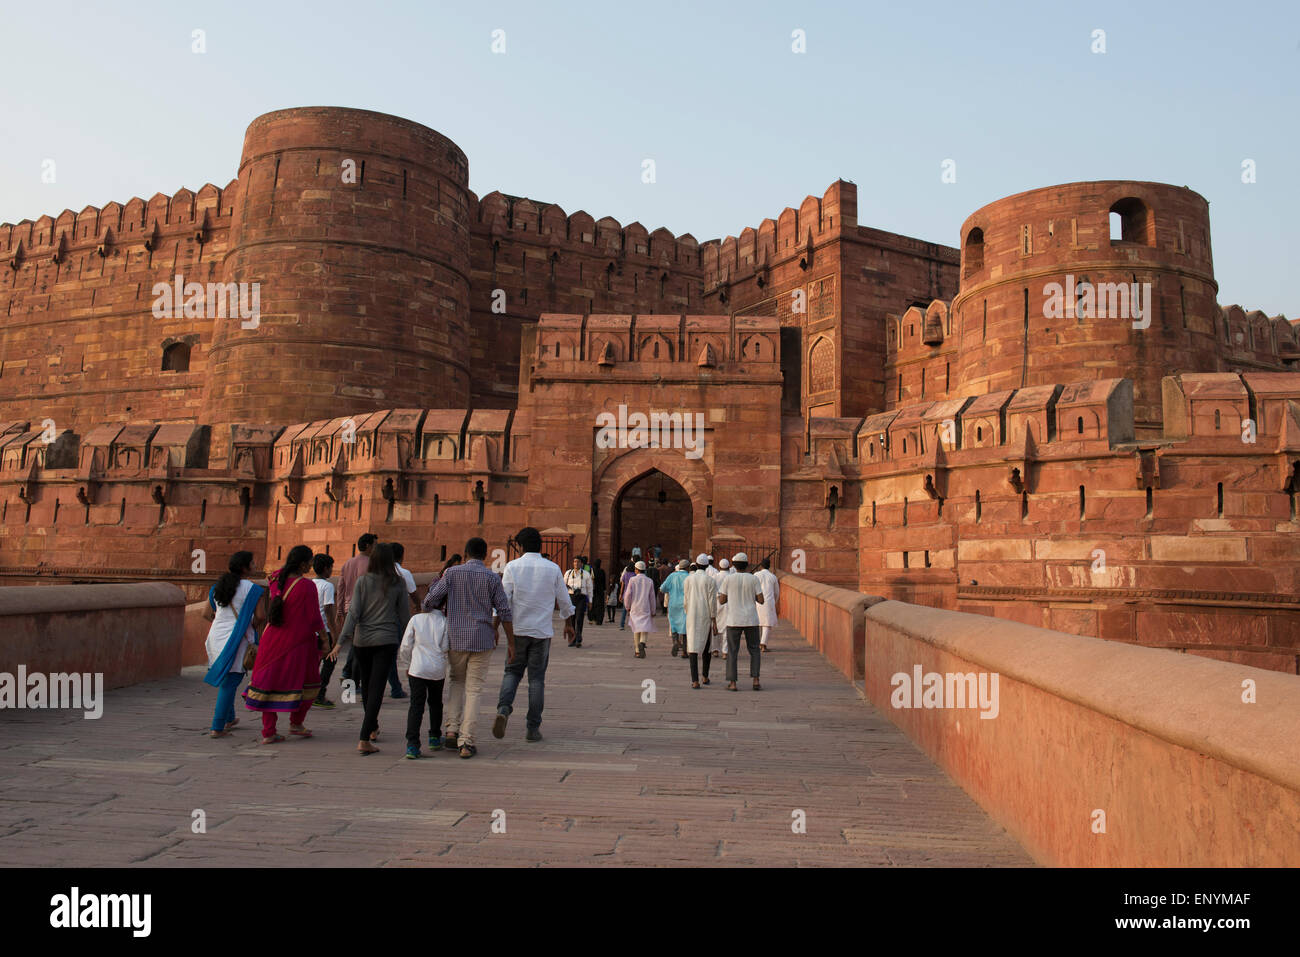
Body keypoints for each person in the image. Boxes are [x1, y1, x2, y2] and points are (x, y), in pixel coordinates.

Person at [424, 537, 514, 759]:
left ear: (465, 554)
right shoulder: (492, 577)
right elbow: (504, 610)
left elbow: (429, 601)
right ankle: (467, 741)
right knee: (474, 689)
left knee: (456, 682)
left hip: (456, 638)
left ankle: (452, 729)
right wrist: (511, 641)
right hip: (482, 639)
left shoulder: (452, 574)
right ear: (485, 555)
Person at [493, 527, 575, 743]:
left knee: (511, 673)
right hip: (541, 632)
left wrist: (495, 627)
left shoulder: (512, 567)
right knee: (537, 680)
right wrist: (568, 623)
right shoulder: (553, 568)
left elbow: (503, 601)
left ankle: (503, 709)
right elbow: (565, 600)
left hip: (518, 631)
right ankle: (532, 728)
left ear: (520, 546)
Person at [331, 542, 411, 755]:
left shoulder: (363, 581)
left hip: (362, 641)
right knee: (376, 688)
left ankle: (372, 727)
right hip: (386, 641)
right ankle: (365, 737)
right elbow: (404, 617)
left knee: (367, 687)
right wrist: (408, 644)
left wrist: (340, 642)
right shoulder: (397, 582)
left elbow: (354, 613)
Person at [243, 545, 326, 743]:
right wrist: (325, 639)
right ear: (303, 563)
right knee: (309, 682)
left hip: (271, 639)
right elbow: (315, 618)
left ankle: (269, 732)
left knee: (268, 682)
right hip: (298, 641)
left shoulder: (275, 579)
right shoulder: (306, 586)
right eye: (309, 562)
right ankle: (296, 723)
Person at [203, 551, 266, 737]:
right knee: (230, 682)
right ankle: (217, 726)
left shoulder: (217, 587)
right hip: (236, 639)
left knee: (226, 678)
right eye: (252, 563)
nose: (255, 566)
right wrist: (249, 625)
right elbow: (261, 616)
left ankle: (229, 718)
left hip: (216, 636)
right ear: (245, 568)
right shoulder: (253, 589)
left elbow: (206, 614)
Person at [398, 594, 450, 759]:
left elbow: (406, 645)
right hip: (436, 668)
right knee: (436, 703)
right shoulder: (444, 621)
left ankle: (412, 744)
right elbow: (445, 646)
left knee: (416, 706)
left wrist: (407, 664)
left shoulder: (416, 619)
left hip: (418, 667)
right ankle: (434, 736)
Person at [717, 552, 765, 692]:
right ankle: (756, 680)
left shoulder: (728, 579)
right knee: (754, 650)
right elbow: (761, 600)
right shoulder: (753, 579)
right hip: (751, 618)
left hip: (734, 619)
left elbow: (721, 600)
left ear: (734, 565)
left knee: (732, 651)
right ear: (747, 565)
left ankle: (733, 683)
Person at [338, 533, 376, 691]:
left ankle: (348, 676)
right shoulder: (372, 564)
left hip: (349, 608)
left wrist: (339, 610)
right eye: (374, 545)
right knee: (361, 649)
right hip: (365, 611)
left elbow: (341, 587)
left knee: (356, 645)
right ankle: (352, 681)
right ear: (367, 546)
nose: (375, 548)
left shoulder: (348, 563)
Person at [683, 557, 718, 688]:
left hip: (692, 615)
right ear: (707, 566)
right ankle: (705, 676)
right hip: (705, 616)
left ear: (696, 565)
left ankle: (694, 680)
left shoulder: (688, 579)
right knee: (706, 647)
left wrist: (688, 612)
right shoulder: (710, 580)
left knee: (692, 646)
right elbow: (712, 602)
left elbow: (685, 600)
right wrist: (714, 619)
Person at [311, 553, 340, 709]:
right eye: (330, 567)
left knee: (313, 663)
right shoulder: (327, 586)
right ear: (325, 568)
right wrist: (335, 633)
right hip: (324, 630)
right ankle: (319, 694)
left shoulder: (309, 583)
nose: (331, 571)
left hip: (311, 630)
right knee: (330, 662)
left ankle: (307, 693)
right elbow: (328, 609)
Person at [622, 561, 656, 658]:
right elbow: (652, 597)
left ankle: (637, 651)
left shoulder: (632, 580)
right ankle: (642, 642)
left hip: (635, 607)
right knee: (644, 628)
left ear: (636, 570)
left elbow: (628, 595)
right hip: (645, 607)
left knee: (636, 629)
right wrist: (653, 610)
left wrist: (627, 606)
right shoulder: (649, 581)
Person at [660, 560, 689, 657]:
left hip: (673, 604)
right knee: (685, 628)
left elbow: (662, 588)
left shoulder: (672, 576)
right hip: (685, 605)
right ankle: (685, 651)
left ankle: (675, 642)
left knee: (674, 625)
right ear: (687, 568)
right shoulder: (689, 577)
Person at [563, 556, 592, 647]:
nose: (576, 563)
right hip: (571, 597)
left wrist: (590, 601)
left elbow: (590, 588)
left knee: (579, 618)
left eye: (578, 562)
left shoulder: (586, 574)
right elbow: (563, 586)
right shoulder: (568, 573)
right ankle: (572, 639)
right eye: (575, 562)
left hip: (581, 598)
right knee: (572, 618)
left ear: (581, 564)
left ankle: (578, 638)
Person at [755, 557, 780, 652]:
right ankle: (763, 643)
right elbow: (776, 592)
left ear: (761, 566)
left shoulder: (756, 575)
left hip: (757, 601)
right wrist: (775, 602)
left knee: (756, 623)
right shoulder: (773, 577)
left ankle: (758, 642)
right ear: (769, 566)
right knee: (767, 624)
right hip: (768, 602)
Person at [589, 558, 607, 627]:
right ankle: (599, 620)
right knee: (600, 605)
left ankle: (593, 618)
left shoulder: (592, 571)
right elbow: (604, 582)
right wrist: (605, 590)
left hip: (593, 590)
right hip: (600, 590)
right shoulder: (602, 571)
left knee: (593, 604)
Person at [617, 562, 635, 630]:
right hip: (633, 595)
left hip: (626, 594)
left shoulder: (625, 575)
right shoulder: (635, 575)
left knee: (624, 611)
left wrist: (620, 594)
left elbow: (622, 586)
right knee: (632, 611)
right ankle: (633, 624)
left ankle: (622, 625)